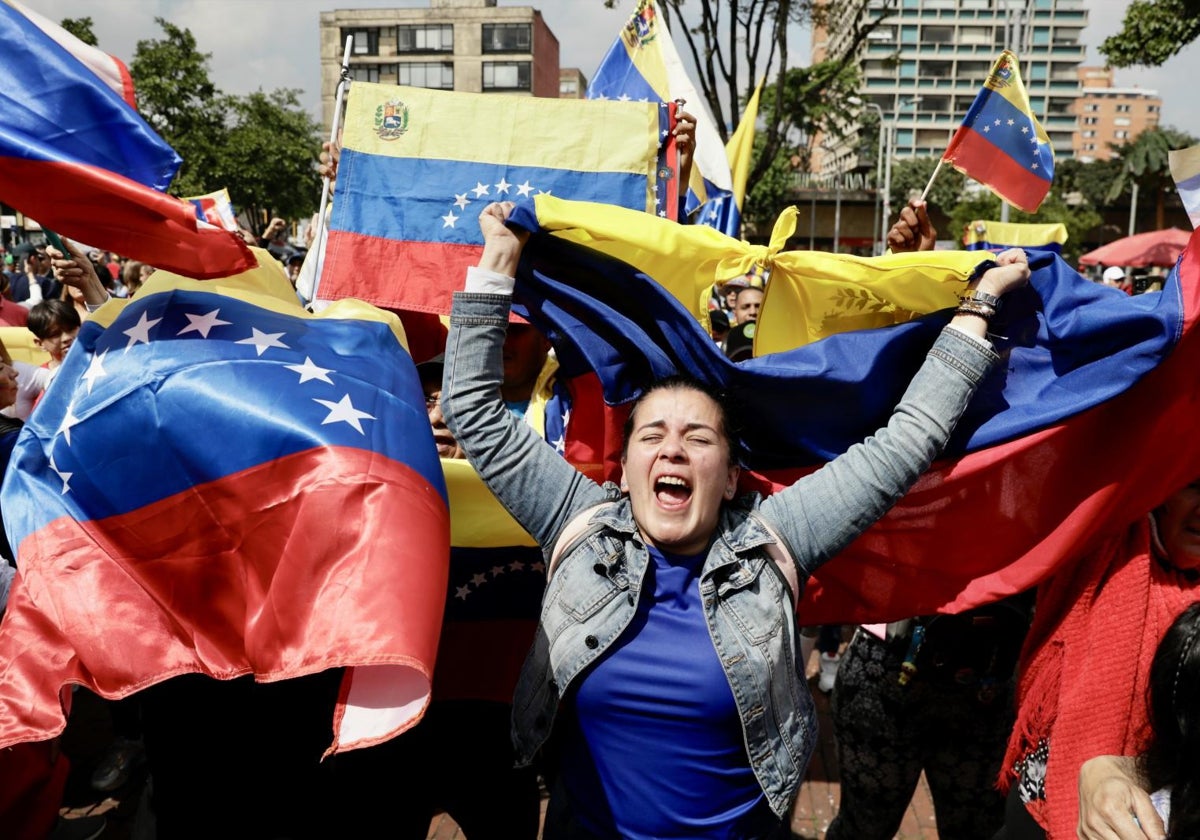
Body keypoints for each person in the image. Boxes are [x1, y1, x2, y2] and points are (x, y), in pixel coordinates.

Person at [439, 200, 1028, 837]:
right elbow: (473, 409)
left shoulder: (776, 543)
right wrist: (499, 258)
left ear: (730, 477)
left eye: (697, 438)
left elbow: (906, 441)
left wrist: (981, 304)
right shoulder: (579, 526)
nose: (672, 449)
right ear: (627, 464)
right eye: (652, 436)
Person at [996, 477, 1200, 840]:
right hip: (1034, 812)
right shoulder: (1103, 546)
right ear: (1159, 491)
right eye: (1193, 486)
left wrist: (1119, 769)